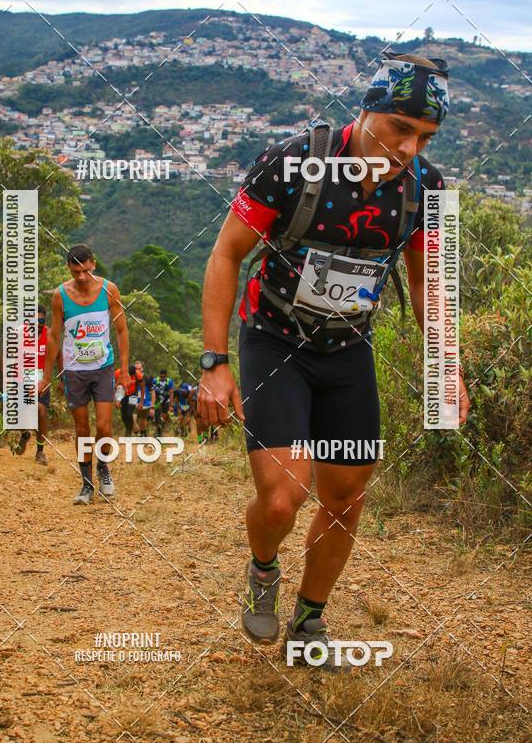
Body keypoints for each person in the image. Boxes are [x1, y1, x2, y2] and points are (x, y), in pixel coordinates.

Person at [198, 53, 471, 669]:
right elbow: (225, 256)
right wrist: (215, 362)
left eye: (424, 136)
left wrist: (446, 366)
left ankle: (309, 620)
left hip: (347, 347)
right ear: (366, 110)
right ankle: (263, 568)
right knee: (280, 499)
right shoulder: (294, 162)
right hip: (273, 340)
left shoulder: (428, 189)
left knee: (346, 495)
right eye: (399, 127)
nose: (408, 146)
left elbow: (429, 284)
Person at [38, 244, 131, 504]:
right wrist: (47, 376)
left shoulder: (108, 290)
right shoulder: (60, 295)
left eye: (85, 270)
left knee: (104, 426)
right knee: (82, 428)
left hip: (102, 367)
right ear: (69, 268)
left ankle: (103, 467)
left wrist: (124, 369)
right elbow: (55, 336)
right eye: (75, 271)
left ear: (93, 264)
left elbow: (122, 330)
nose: (81, 276)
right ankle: (87, 485)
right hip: (74, 371)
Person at [13, 304, 62, 465]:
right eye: (35, 320)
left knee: (41, 411)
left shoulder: (49, 335)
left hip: (41, 380)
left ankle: (40, 452)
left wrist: (62, 379)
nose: (39, 323)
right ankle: (25, 434)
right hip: (21, 379)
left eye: (42, 319)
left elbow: (59, 356)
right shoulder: (19, 333)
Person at [115, 362, 143, 436]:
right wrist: (116, 399)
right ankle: (127, 427)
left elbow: (142, 387)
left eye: (132, 376)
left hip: (133, 394)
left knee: (129, 413)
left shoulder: (138, 375)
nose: (130, 377)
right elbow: (114, 386)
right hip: (122, 394)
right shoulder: (118, 373)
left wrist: (141, 401)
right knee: (124, 414)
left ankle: (128, 432)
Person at [152, 369, 174, 437]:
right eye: (161, 377)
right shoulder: (155, 380)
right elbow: (152, 391)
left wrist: (171, 405)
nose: (162, 378)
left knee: (163, 417)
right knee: (157, 416)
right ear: (159, 376)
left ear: (166, 376)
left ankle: (161, 430)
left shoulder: (169, 381)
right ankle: (157, 430)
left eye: (163, 377)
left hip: (166, 400)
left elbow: (171, 393)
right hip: (157, 400)